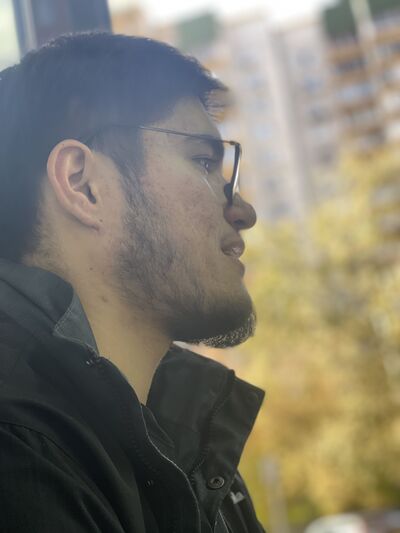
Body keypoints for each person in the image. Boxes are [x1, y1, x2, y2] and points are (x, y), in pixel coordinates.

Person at [0, 32, 265, 533]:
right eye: (203, 162)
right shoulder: (18, 446)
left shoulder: (191, 450)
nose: (244, 211)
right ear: (82, 184)